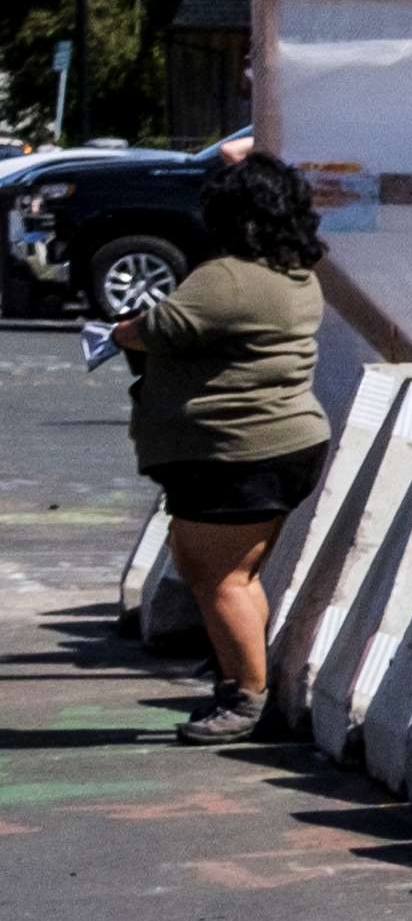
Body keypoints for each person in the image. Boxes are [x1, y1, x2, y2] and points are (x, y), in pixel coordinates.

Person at [112, 151, 332, 745]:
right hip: (278, 446)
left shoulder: (227, 276)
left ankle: (245, 698)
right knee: (235, 574)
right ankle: (242, 678)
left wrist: (122, 331)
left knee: (220, 579)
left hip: (237, 453)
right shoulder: (296, 273)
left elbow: (162, 328)